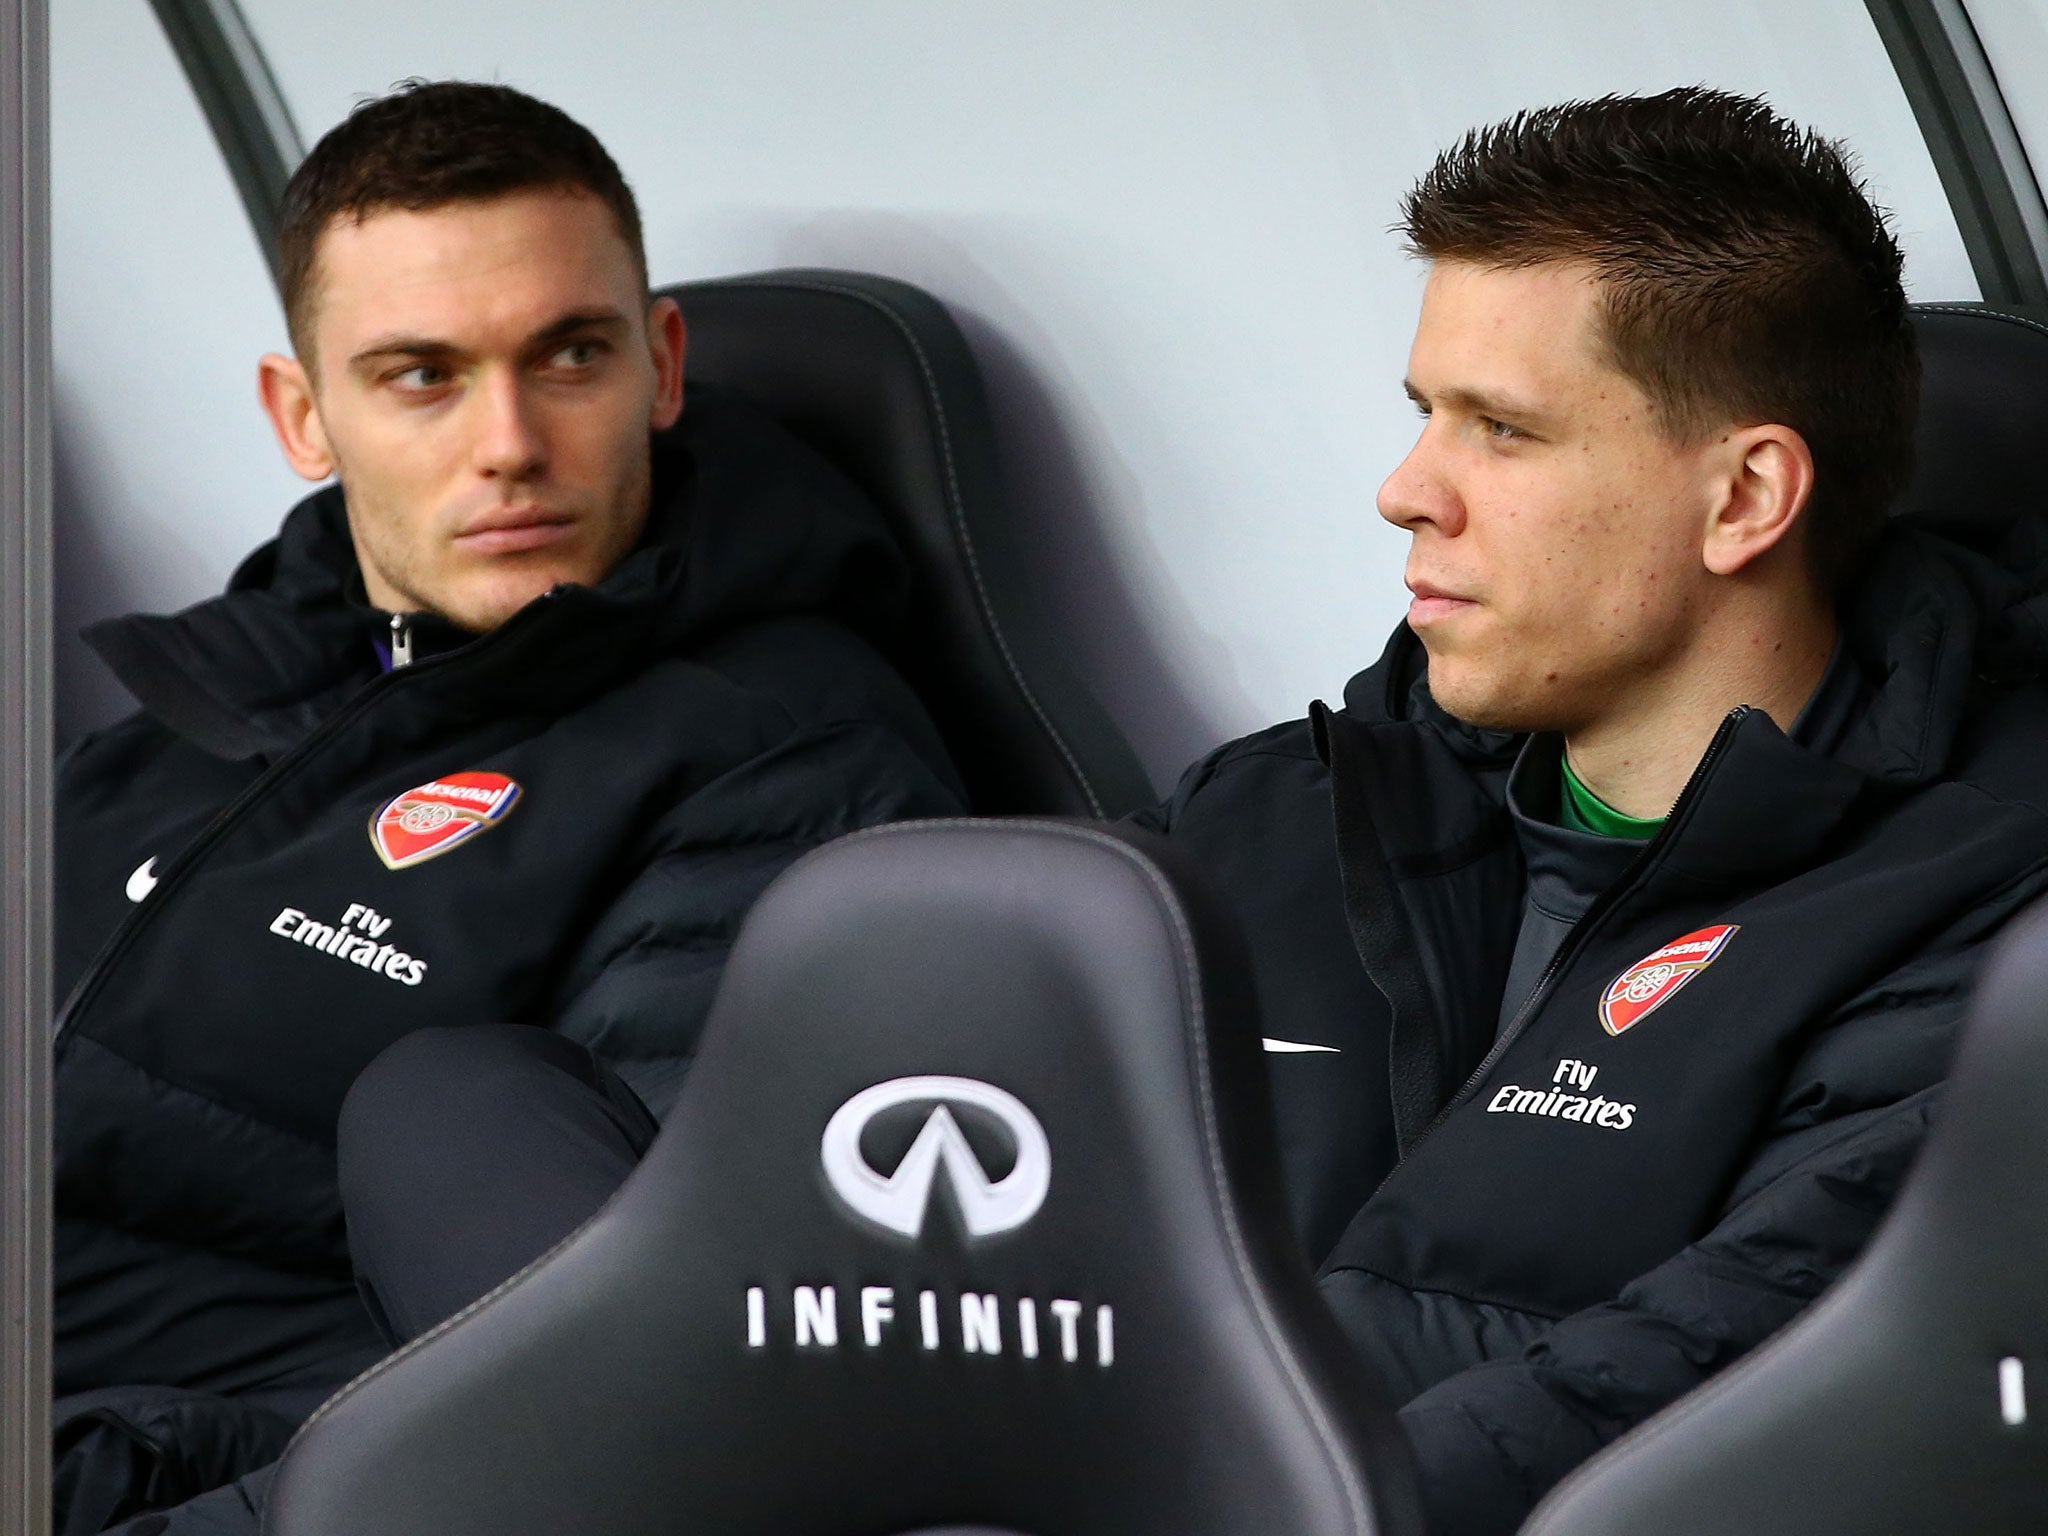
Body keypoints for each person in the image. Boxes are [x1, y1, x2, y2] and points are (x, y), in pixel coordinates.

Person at [51, 79, 963, 1534]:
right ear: (305, 413)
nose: (510, 446)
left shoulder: (779, 762)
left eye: (570, 356)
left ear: (661, 366)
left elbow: (618, 1370)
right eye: (422, 375)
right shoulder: (223, 686)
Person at [1133, 88, 2048, 1533]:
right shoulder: (1259, 821)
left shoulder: (1997, 926)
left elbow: (1728, 1385)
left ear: (1745, 498)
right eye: (1424, 415)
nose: (1403, 491)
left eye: (1500, 429)